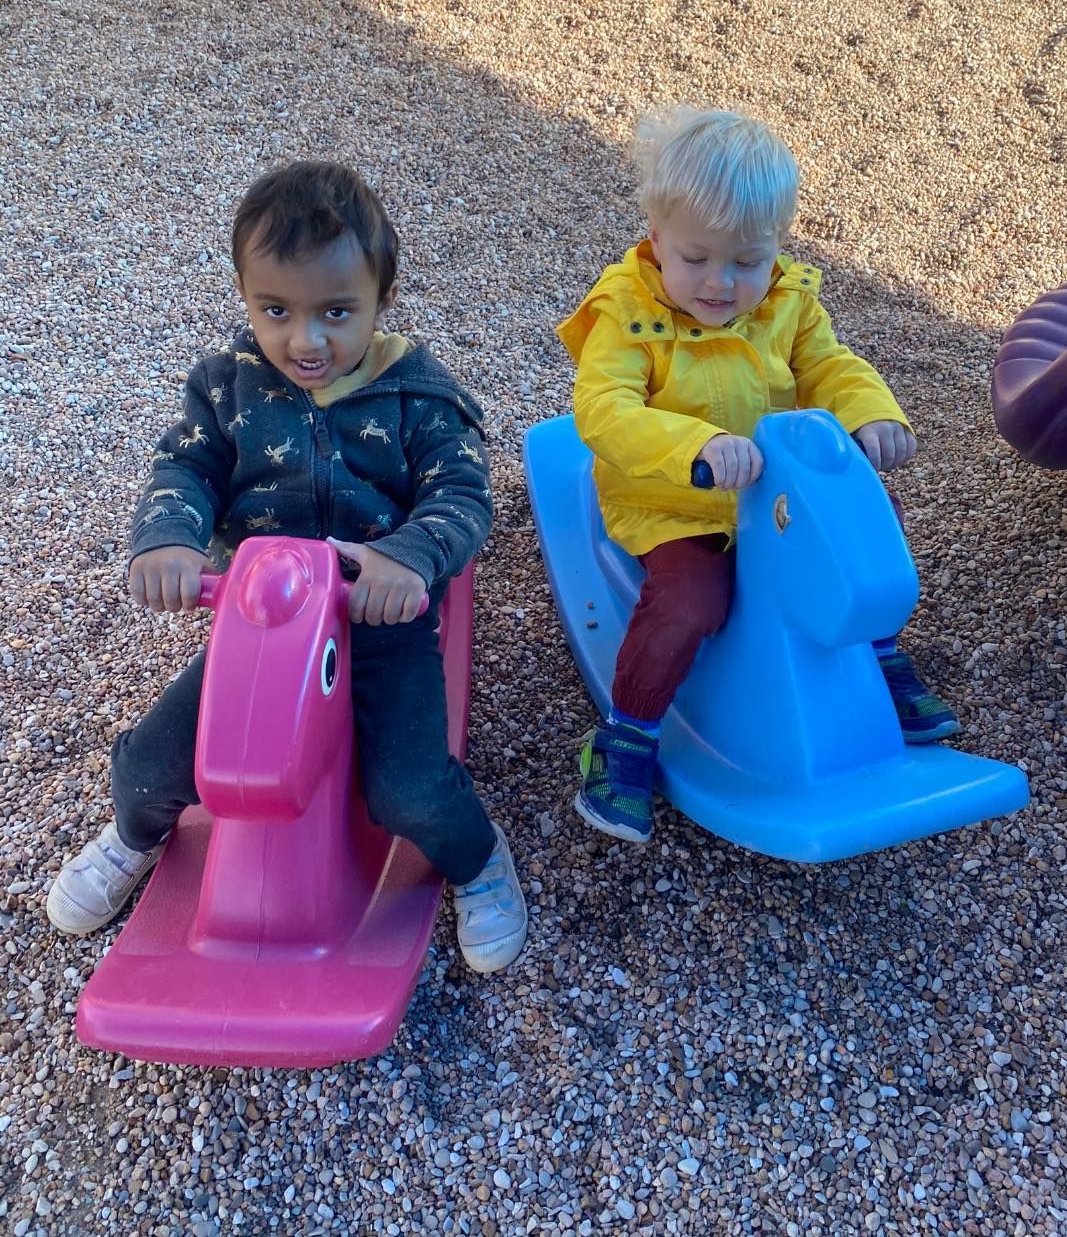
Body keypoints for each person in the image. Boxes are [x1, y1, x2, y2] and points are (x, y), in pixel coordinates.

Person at [47, 161, 527, 973]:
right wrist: (168, 537)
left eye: (337, 313)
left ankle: (478, 861)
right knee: (154, 763)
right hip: (262, 623)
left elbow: (461, 495)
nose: (306, 341)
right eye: (277, 310)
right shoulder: (230, 386)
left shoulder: (418, 398)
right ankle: (132, 837)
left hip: (378, 617)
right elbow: (185, 469)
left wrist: (404, 557)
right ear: (244, 296)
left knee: (407, 790)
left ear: (382, 300)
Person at [558, 107, 960, 843]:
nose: (720, 282)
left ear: (777, 245)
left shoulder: (788, 301)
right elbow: (604, 411)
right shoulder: (625, 312)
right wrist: (696, 446)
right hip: (674, 497)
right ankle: (625, 736)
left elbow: (828, 365)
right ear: (655, 238)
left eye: (747, 261)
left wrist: (870, 412)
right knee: (689, 602)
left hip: (772, 491)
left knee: (869, 538)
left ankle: (877, 654)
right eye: (696, 257)